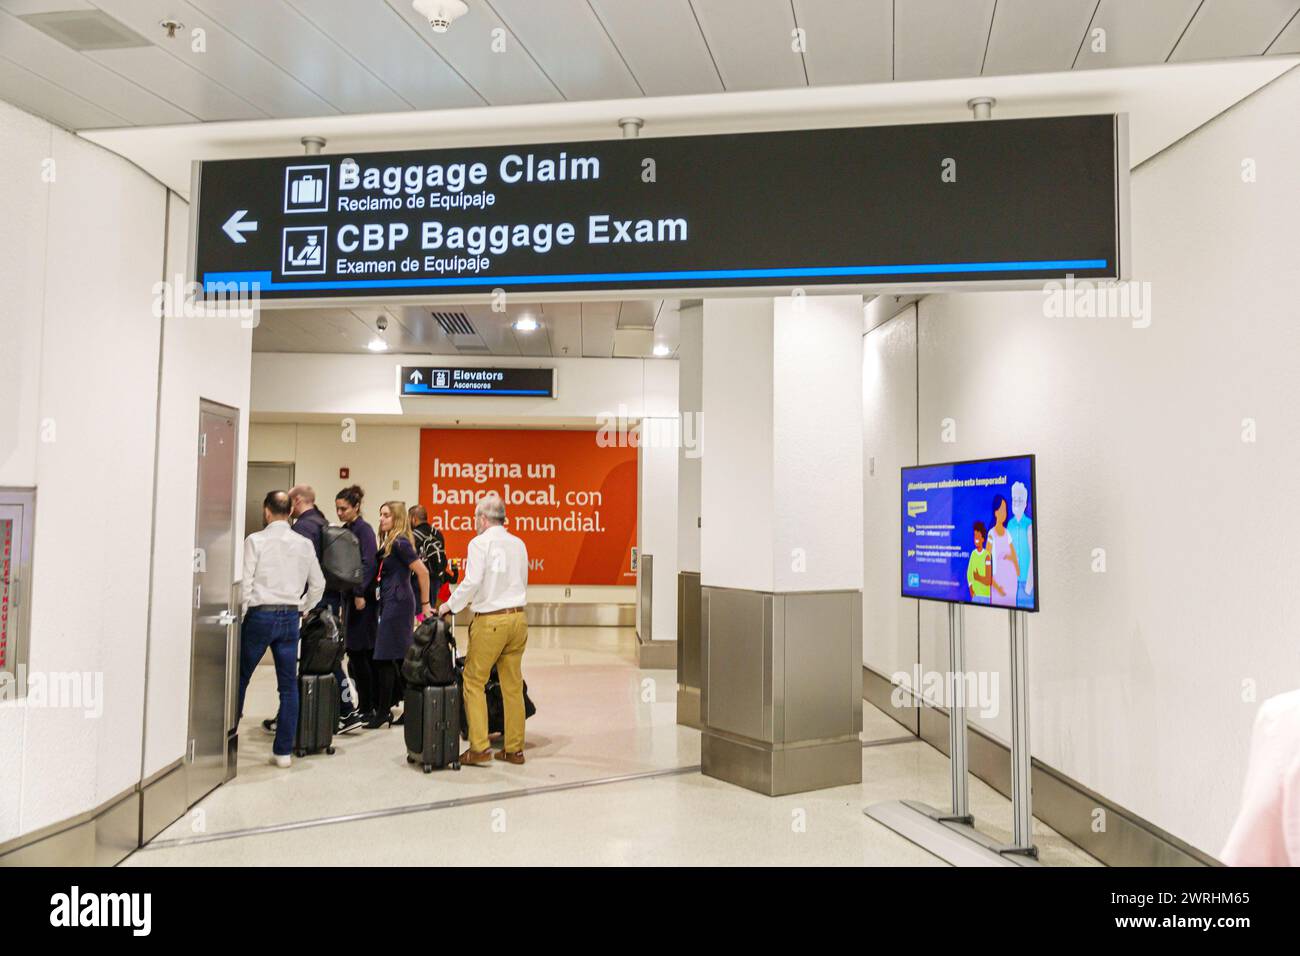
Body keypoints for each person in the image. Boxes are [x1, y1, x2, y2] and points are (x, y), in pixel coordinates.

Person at [439, 492, 529, 767]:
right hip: (518, 619)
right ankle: (514, 749)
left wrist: (448, 606)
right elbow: (522, 579)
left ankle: (479, 747)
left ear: (482, 518)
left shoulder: (479, 543)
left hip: (491, 621)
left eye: (474, 518)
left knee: (473, 681)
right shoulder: (519, 543)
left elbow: (472, 581)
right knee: (512, 685)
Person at [238, 490, 324, 768]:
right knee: (288, 687)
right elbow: (319, 584)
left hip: (260, 615)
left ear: (266, 511)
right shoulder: (303, 544)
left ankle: (229, 736)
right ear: (290, 512)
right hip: (290, 617)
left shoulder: (255, 541)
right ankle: (283, 752)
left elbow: (245, 583)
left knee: (241, 678)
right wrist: (303, 606)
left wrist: (242, 615)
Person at [286, 484, 364, 733]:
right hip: (331, 599)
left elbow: (300, 568)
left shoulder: (302, 528)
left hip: (315, 600)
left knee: (320, 657)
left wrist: (302, 603)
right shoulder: (323, 523)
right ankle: (341, 710)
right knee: (329, 656)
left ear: (297, 501)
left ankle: (346, 711)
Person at [369, 501, 434, 728]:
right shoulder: (390, 541)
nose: (382, 519)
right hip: (391, 601)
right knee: (396, 658)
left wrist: (426, 604)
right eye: (381, 515)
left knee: (386, 657)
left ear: (396, 518)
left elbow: (423, 572)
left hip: (398, 603)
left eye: (386, 515)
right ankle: (401, 708)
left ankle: (384, 712)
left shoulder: (400, 542)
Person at [335, 485, 379, 722]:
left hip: (363, 601)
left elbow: (368, 563)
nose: (340, 512)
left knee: (361, 653)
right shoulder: (347, 530)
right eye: (338, 509)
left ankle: (367, 706)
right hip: (351, 598)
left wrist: (360, 592)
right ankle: (365, 704)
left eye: (344, 508)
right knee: (356, 653)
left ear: (356, 507)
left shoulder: (364, 531)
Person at [987, 493, 1020, 608]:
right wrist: (996, 586)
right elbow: (987, 564)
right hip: (998, 583)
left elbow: (1015, 559)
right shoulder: (991, 534)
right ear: (995, 513)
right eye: (1001, 510)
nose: (1004, 513)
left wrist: (1013, 564)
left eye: (1005, 510)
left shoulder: (1008, 533)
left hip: (1011, 583)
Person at [1007, 481, 1034, 608]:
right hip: (1011, 583)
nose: (1016, 503)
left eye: (1019, 500)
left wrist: (1029, 585)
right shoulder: (1009, 524)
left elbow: (1034, 556)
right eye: (1014, 500)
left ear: (1025, 503)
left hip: (1025, 583)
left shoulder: (1029, 525)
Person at [966, 521, 992, 604]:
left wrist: (978, 577)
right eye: (974, 536)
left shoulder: (987, 555)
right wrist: (971, 590)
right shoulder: (973, 554)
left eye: (978, 536)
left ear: (983, 539)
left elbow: (988, 581)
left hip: (985, 597)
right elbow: (969, 573)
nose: (976, 538)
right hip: (975, 596)